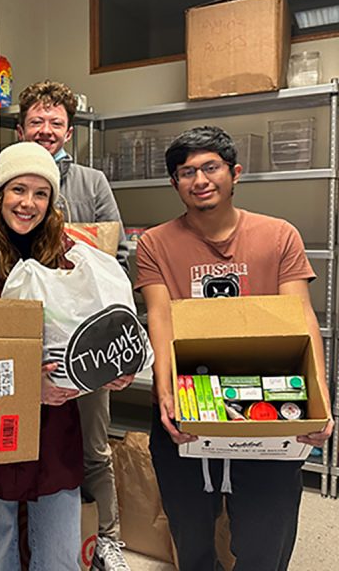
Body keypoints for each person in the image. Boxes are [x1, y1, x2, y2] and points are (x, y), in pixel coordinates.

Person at [135, 126, 334, 571]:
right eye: (187, 172)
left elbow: (301, 316)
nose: (200, 179)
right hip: (189, 397)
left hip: (268, 396)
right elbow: (161, 320)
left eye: (210, 167)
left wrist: (320, 399)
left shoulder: (279, 235)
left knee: (267, 531)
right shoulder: (154, 243)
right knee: (190, 531)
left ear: (235, 173)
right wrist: (166, 395)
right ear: (174, 183)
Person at [0, 141, 132, 571]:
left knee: (60, 550)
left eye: (40, 193)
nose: (28, 203)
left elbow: (92, 326)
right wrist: (29, 384)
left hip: (56, 425)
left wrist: (109, 366)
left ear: (52, 201)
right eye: (18, 190)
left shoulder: (68, 251)